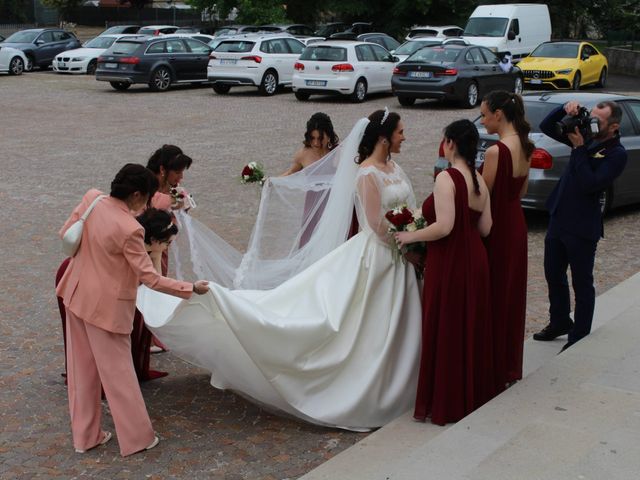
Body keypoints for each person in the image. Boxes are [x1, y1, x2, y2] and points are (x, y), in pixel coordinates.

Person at [137, 110, 423, 430]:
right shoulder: (367, 173)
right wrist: (409, 244)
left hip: (397, 261)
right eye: (400, 131)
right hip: (381, 256)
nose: (404, 136)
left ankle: (399, 381)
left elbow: (407, 207)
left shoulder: (394, 167)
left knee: (389, 325)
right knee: (351, 322)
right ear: (384, 136)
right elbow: (375, 224)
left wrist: (416, 231)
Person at [56, 164, 209, 456]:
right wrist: (191, 287)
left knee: (81, 373)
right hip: (106, 310)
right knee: (119, 376)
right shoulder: (130, 229)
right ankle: (137, 438)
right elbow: (149, 278)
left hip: (75, 294)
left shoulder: (92, 198)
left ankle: (85, 437)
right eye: (146, 197)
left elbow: (66, 234)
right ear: (136, 194)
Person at [396, 119, 494, 425]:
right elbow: (486, 228)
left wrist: (409, 237)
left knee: (446, 329)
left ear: (450, 143)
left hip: (450, 261)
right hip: (475, 259)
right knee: (467, 327)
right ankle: (468, 395)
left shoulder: (447, 178)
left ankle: (446, 401)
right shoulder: (478, 179)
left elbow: (445, 227)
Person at [533, 100, 627, 352]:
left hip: (583, 226)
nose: (591, 124)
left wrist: (579, 149)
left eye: (598, 120)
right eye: (591, 117)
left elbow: (590, 183)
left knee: (581, 282)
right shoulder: (585, 136)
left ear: (614, 126)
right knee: (553, 275)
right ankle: (560, 321)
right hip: (559, 217)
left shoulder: (616, 153)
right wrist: (565, 109)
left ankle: (580, 333)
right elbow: (546, 126)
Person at [479, 90, 533, 390]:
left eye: (485, 114)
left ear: (499, 114)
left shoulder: (496, 151)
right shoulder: (526, 145)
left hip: (499, 226)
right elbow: (521, 193)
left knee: (496, 294)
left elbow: (481, 197)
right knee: (511, 295)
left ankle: (493, 365)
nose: (483, 120)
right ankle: (509, 364)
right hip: (517, 224)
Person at [130, 208, 180, 381]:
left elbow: (156, 280)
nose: (168, 247)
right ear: (153, 239)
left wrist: (157, 255)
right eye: (168, 243)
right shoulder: (135, 251)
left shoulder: (153, 249)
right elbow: (153, 281)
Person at [280, 112, 339, 176]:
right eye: (312, 138)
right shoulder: (303, 154)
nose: (316, 143)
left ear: (329, 136)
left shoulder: (339, 153)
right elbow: (290, 173)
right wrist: (271, 181)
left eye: (320, 138)